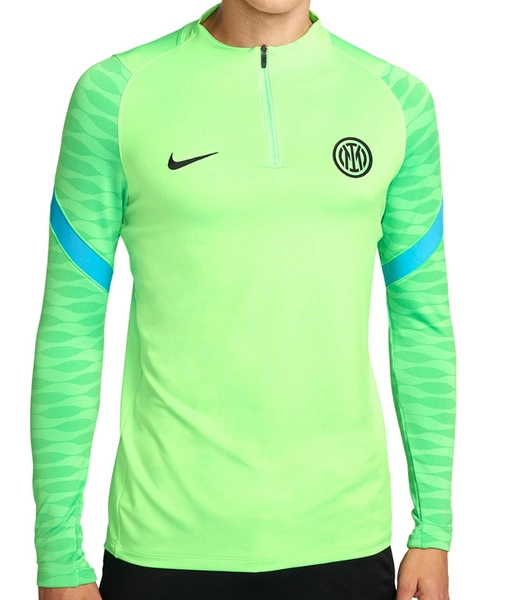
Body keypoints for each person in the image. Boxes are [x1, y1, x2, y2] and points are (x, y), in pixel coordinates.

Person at [29, 1, 457, 599]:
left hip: (344, 541)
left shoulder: (398, 101)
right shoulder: (115, 95)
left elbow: (422, 322)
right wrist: (58, 557)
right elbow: (70, 324)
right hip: (163, 542)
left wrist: (433, 528)